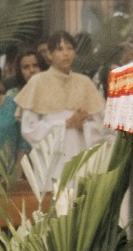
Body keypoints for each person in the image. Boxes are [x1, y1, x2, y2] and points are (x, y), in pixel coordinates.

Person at [16, 31, 106, 179]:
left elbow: (101, 125)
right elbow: (29, 129)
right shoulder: (37, 82)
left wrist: (84, 126)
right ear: (49, 54)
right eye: (59, 49)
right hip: (49, 161)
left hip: (80, 156)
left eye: (69, 48)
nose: (66, 54)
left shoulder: (85, 83)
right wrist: (66, 123)